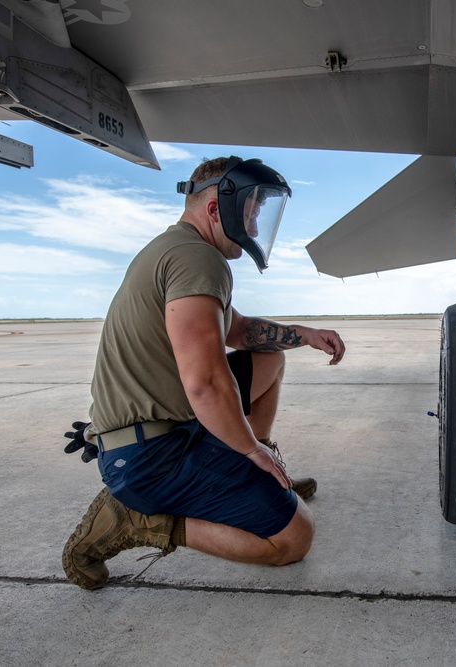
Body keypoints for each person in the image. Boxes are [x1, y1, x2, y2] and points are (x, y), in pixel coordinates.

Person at [61, 156, 346, 590]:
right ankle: (138, 519)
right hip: (151, 457)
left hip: (155, 434)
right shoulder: (197, 259)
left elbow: (241, 331)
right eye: (251, 214)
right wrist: (251, 450)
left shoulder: (177, 249)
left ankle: (258, 474)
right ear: (216, 209)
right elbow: (205, 382)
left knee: (269, 357)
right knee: (293, 539)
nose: (253, 229)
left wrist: (303, 334)